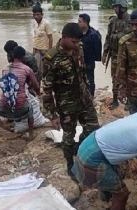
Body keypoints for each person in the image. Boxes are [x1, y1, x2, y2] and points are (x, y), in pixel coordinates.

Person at [42, 23, 100, 178]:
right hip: (66, 104)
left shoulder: (78, 50)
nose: (76, 45)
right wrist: (52, 115)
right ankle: (70, 164)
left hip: (84, 100)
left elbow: (83, 73)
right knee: (68, 136)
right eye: (74, 42)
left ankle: (80, 148)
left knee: (93, 129)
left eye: (78, 42)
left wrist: (89, 92)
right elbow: (46, 88)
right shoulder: (51, 58)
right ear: (64, 37)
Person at [0, 46, 40, 140]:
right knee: (30, 110)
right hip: (21, 107)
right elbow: (36, 85)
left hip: (5, 106)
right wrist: (38, 94)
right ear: (23, 57)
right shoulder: (27, 69)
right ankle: (31, 134)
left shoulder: (5, 69)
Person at [102, 0, 132, 110]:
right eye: (114, 7)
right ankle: (115, 100)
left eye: (116, 7)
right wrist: (105, 52)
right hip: (114, 55)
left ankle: (129, 101)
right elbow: (108, 37)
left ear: (123, 8)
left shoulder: (130, 21)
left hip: (127, 56)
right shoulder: (112, 21)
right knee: (115, 78)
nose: (114, 9)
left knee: (128, 78)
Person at [78, 13, 102, 96]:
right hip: (78, 60)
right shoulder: (77, 33)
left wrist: (96, 58)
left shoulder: (94, 34)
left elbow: (98, 47)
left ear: (85, 22)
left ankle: (91, 96)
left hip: (89, 61)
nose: (78, 23)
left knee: (90, 79)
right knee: (79, 79)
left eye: (80, 21)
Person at [32, 5, 53, 87]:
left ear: (42, 14)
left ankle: (43, 88)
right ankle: (38, 88)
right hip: (35, 49)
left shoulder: (46, 24)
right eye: (34, 15)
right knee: (36, 70)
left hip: (43, 51)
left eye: (38, 14)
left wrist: (50, 52)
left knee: (43, 71)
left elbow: (50, 38)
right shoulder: (35, 24)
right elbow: (36, 37)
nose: (36, 16)